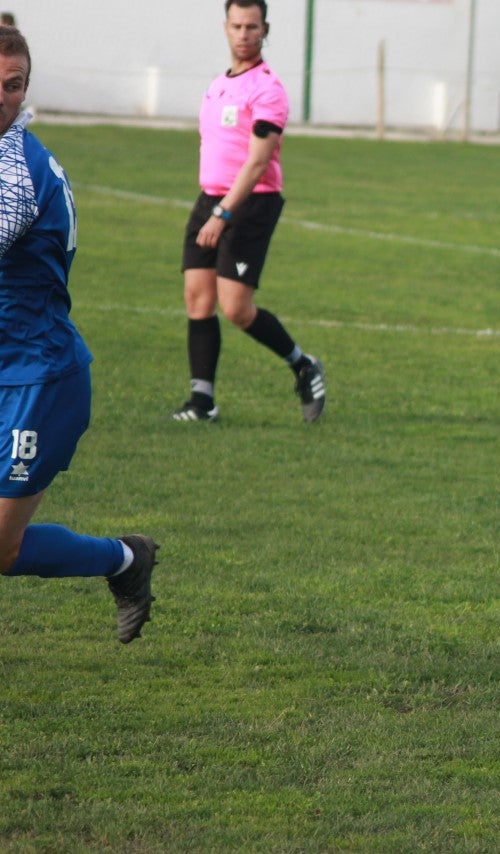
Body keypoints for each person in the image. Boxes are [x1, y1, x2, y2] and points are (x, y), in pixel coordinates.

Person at [0, 26, 158, 643]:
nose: (3, 99)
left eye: (13, 87)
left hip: (38, 380)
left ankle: (124, 558)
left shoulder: (16, 173)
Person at [173, 0, 327, 422]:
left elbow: (258, 162)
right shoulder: (218, 84)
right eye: (237, 25)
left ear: (265, 30)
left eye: (252, 27)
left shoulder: (268, 89)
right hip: (211, 198)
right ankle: (202, 402)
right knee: (197, 298)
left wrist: (222, 214)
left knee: (236, 308)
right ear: (226, 27)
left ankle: (303, 364)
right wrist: (213, 205)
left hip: (249, 204)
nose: (244, 34)